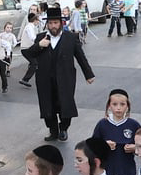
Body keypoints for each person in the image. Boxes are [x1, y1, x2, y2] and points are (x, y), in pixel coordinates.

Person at [26, 8, 96, 142]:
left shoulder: (70, 38)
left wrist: (88, 74)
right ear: (47, 24)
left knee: (65, 103)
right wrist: (39, 46)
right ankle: (53, 131)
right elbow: (29, 53)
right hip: (45, 79)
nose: (53, 26)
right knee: (48, 105)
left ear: (61, 23)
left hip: (65, 78)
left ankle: (63, 128)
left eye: (55, 23)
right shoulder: (41, 37)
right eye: (51, 23)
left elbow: (80, 57)